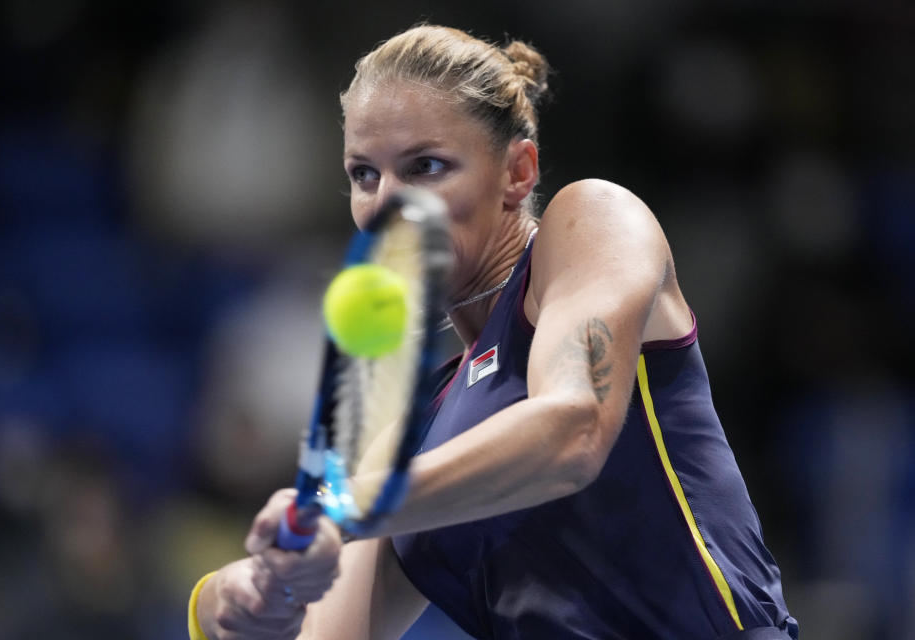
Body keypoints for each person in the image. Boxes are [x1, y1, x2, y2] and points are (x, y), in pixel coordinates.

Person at [189, 24, 799, 640]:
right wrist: (238, 600)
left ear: (517, 172)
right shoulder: (413, 440)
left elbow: (572, 428)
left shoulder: (593, 223)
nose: (386, 206)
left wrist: (345, 505)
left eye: (425, 166)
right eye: (364, 175)